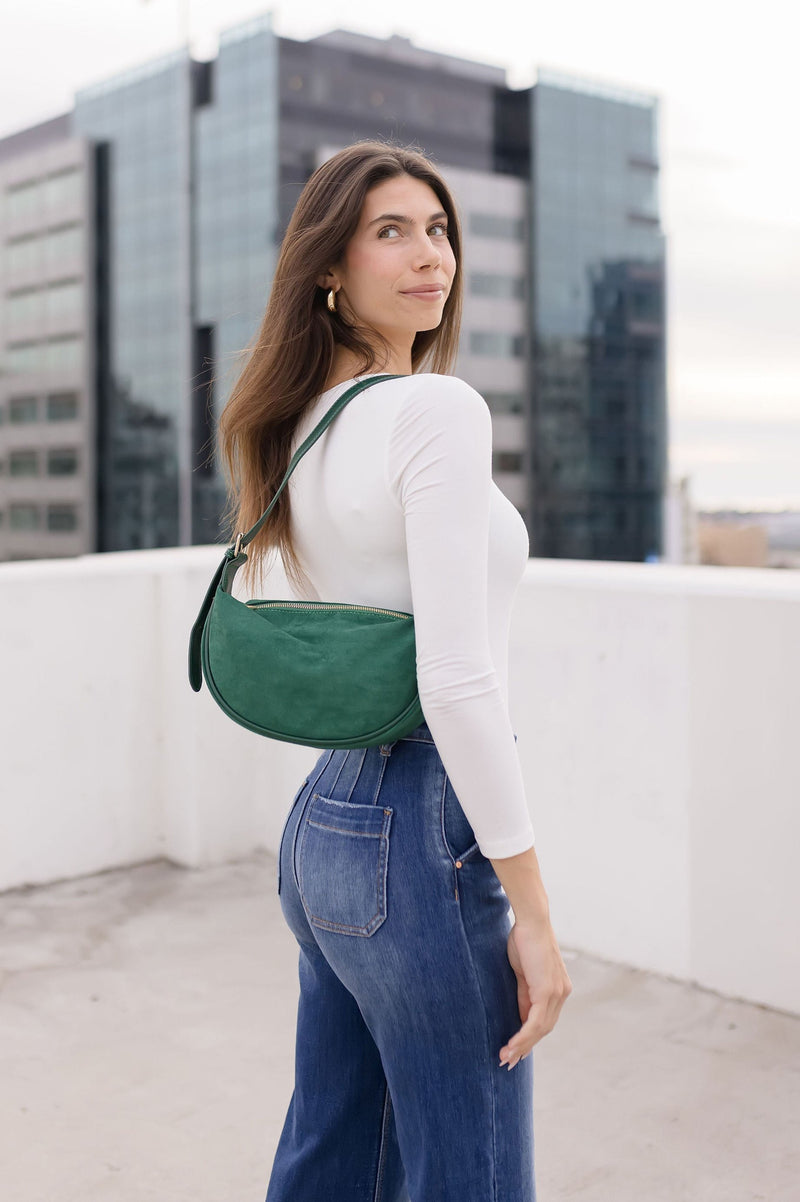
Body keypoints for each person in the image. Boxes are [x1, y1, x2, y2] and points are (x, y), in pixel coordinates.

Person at [217, 140, 572, 1202]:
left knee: (329, 1157)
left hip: (325, 820)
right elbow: (456, 682)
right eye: (391, 231)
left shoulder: (295, 419)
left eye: (438, 229)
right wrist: (536, 919)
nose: (432, 257)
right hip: (423, 829)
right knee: (468, 1175)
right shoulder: (433, 409)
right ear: (329, 266)